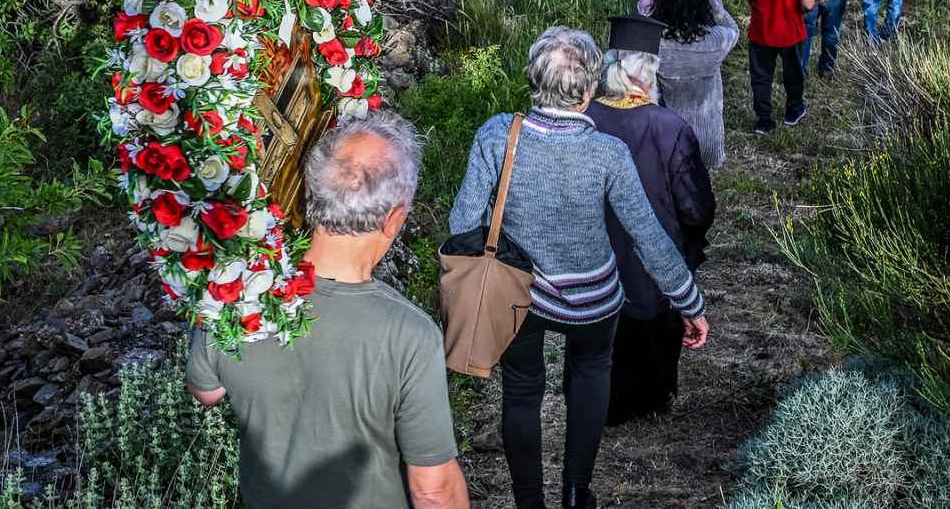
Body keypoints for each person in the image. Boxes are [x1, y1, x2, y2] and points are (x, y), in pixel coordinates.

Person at [448, 27, 711, 509]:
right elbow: (648, 237)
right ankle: (575, 493)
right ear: (589, 90)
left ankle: (529, 502)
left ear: (532, 79)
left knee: (522, 392)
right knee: (591, 374)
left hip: (519, 294)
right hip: (594, 299)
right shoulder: (608, 153)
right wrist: (689, 303)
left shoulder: (497, 134)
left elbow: (462, 221)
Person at [186, 113, 469, 509]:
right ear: (394, 220)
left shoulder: (236, 293)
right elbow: (433, 491)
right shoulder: (409, 335)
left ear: (311, 194)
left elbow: (207, 391)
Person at [584, 16, 717, 425]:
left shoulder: (585, 118)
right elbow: (696, 208)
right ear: (649, 74)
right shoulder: (669, 127)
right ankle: (651, 399)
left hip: (592, 264)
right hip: (653, 270)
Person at [651, 0, 740, 168]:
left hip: (671, 139)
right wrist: (714, 3)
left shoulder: (657, 43)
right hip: (709, 140)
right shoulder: (717, 39)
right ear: (703, 6)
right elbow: (734, 29)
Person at [743, 0, 816, 134]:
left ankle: (764, 120)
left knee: (761, 77)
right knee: (793, 74)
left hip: (761, 31)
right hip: (791, 33)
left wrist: (758, 4)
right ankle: (793, 111)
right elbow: (806, 3)